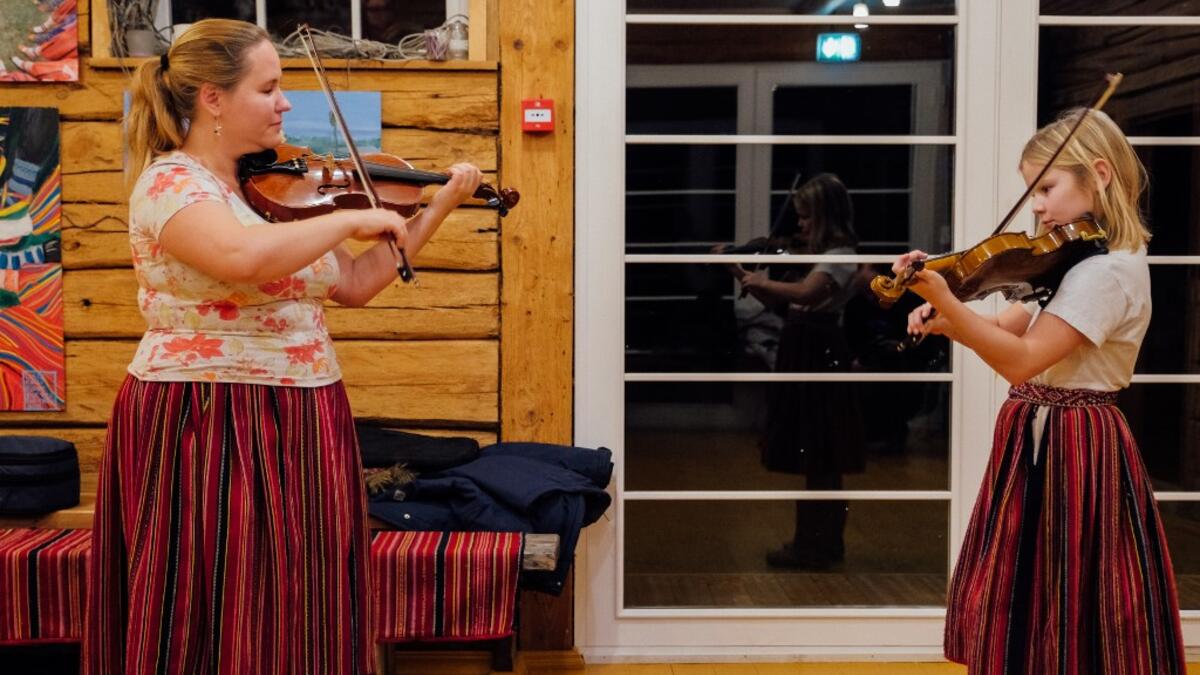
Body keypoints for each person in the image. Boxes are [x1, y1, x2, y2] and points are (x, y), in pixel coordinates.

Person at [84, 19, 482, 675]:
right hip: (205, 416)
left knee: (302, 599)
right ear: (213, 98)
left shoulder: (271, 192)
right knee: (206, 596)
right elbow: (240, 258)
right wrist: (349, 217)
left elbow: (353, 283)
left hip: (305, 413)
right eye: (268, 87)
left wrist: (435, 208)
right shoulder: (171, 185)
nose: (284, 102)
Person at [895, 109, 1184, 673]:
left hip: (1074, 436)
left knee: (1068, 584)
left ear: (1099, 174)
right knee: (1034, 584)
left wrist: (951, 302)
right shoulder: (1076, 263)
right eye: (1034, 191)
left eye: (1047, 187)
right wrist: (945, 316)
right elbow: (1005, 333)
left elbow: (1022, 362)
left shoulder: (1107, 273)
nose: (1038, 206)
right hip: (1038, 431)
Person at [734, 172, 865, 570]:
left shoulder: (841, 257)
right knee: (815, 457)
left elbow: (808, 294)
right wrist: (751, 278)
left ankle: (818, 547)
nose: (801, 226)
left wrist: (757, 279)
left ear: (825, 215)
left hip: (818, 351)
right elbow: (793, 303)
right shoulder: (824, 256)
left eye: (807, 217)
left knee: (821, 455)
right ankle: (812, 543)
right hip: (805, 348)